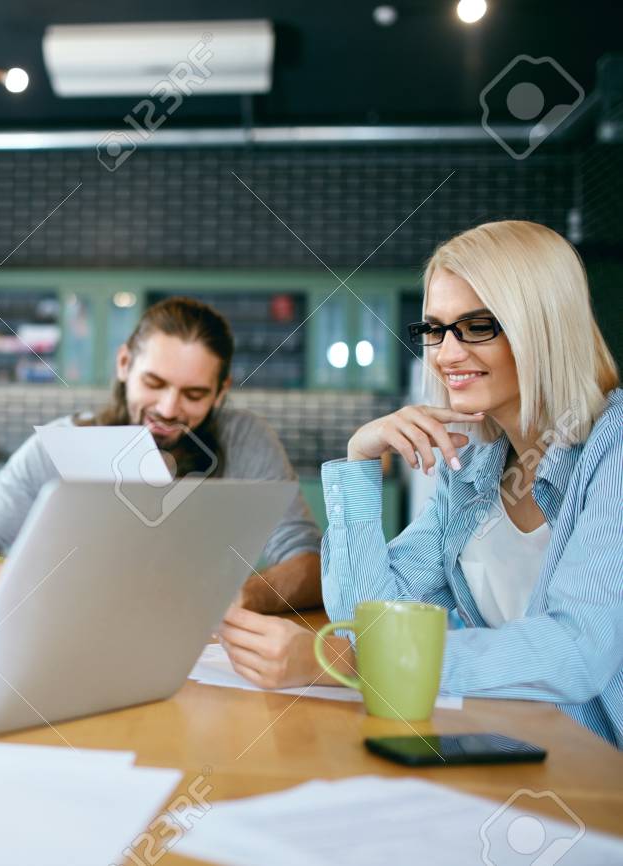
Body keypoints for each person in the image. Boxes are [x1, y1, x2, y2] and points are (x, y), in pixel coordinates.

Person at [219, 220, 623, 748]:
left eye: (478, 326)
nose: (446, 354)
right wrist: (360, 458)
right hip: (517, 750)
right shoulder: (475, 469)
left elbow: (576, 653)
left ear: (542, 326)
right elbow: (365, 611)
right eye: (435, 329)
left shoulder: (611, 449)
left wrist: (353, 661)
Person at [0, 297, 322, 613]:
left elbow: (313, 565)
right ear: (124, 364)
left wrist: (239, 598)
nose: (170, 409)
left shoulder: (247, 441)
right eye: (154, 383)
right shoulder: (58, 446)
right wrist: (37, 596)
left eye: (194, 394)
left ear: (221, 392)